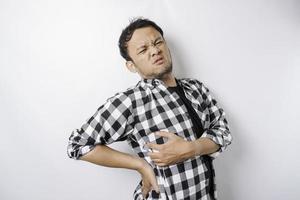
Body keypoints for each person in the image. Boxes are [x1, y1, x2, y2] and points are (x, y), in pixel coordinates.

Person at [67, 18, 232, 200]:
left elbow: (223, 132)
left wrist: (191, 148)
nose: (155, 51)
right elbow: (77, 145)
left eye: (158, 42)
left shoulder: (196, 88)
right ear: (131, 65)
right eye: (143, 50)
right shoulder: (131, 101)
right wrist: (139, 165)